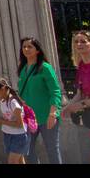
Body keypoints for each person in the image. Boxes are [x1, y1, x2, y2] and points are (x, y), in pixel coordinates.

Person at [16, 36, 61, 164]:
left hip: (47, 115)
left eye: (30, 46)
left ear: (38, 50)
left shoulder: (45, 67)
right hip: (29, 118)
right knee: (27, 149)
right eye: (24, 47)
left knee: (52, 150)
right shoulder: (23, 69)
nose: (26, 49)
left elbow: (55, 92)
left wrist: (53, 114)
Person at [61, 30, 90, 164]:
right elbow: (80, 94)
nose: (79, 44)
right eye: (76, 41)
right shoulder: (81, 67)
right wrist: (67, 108)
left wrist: (81, 105)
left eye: (83, 41)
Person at [0, 77, 30, 164]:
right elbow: (7, 118)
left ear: (2, 89)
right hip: (8, 134)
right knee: (20, 160)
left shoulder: (14, 103)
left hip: (19, 136)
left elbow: (19, 124)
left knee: (12, 161)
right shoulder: (2, 100)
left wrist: (0, 121)